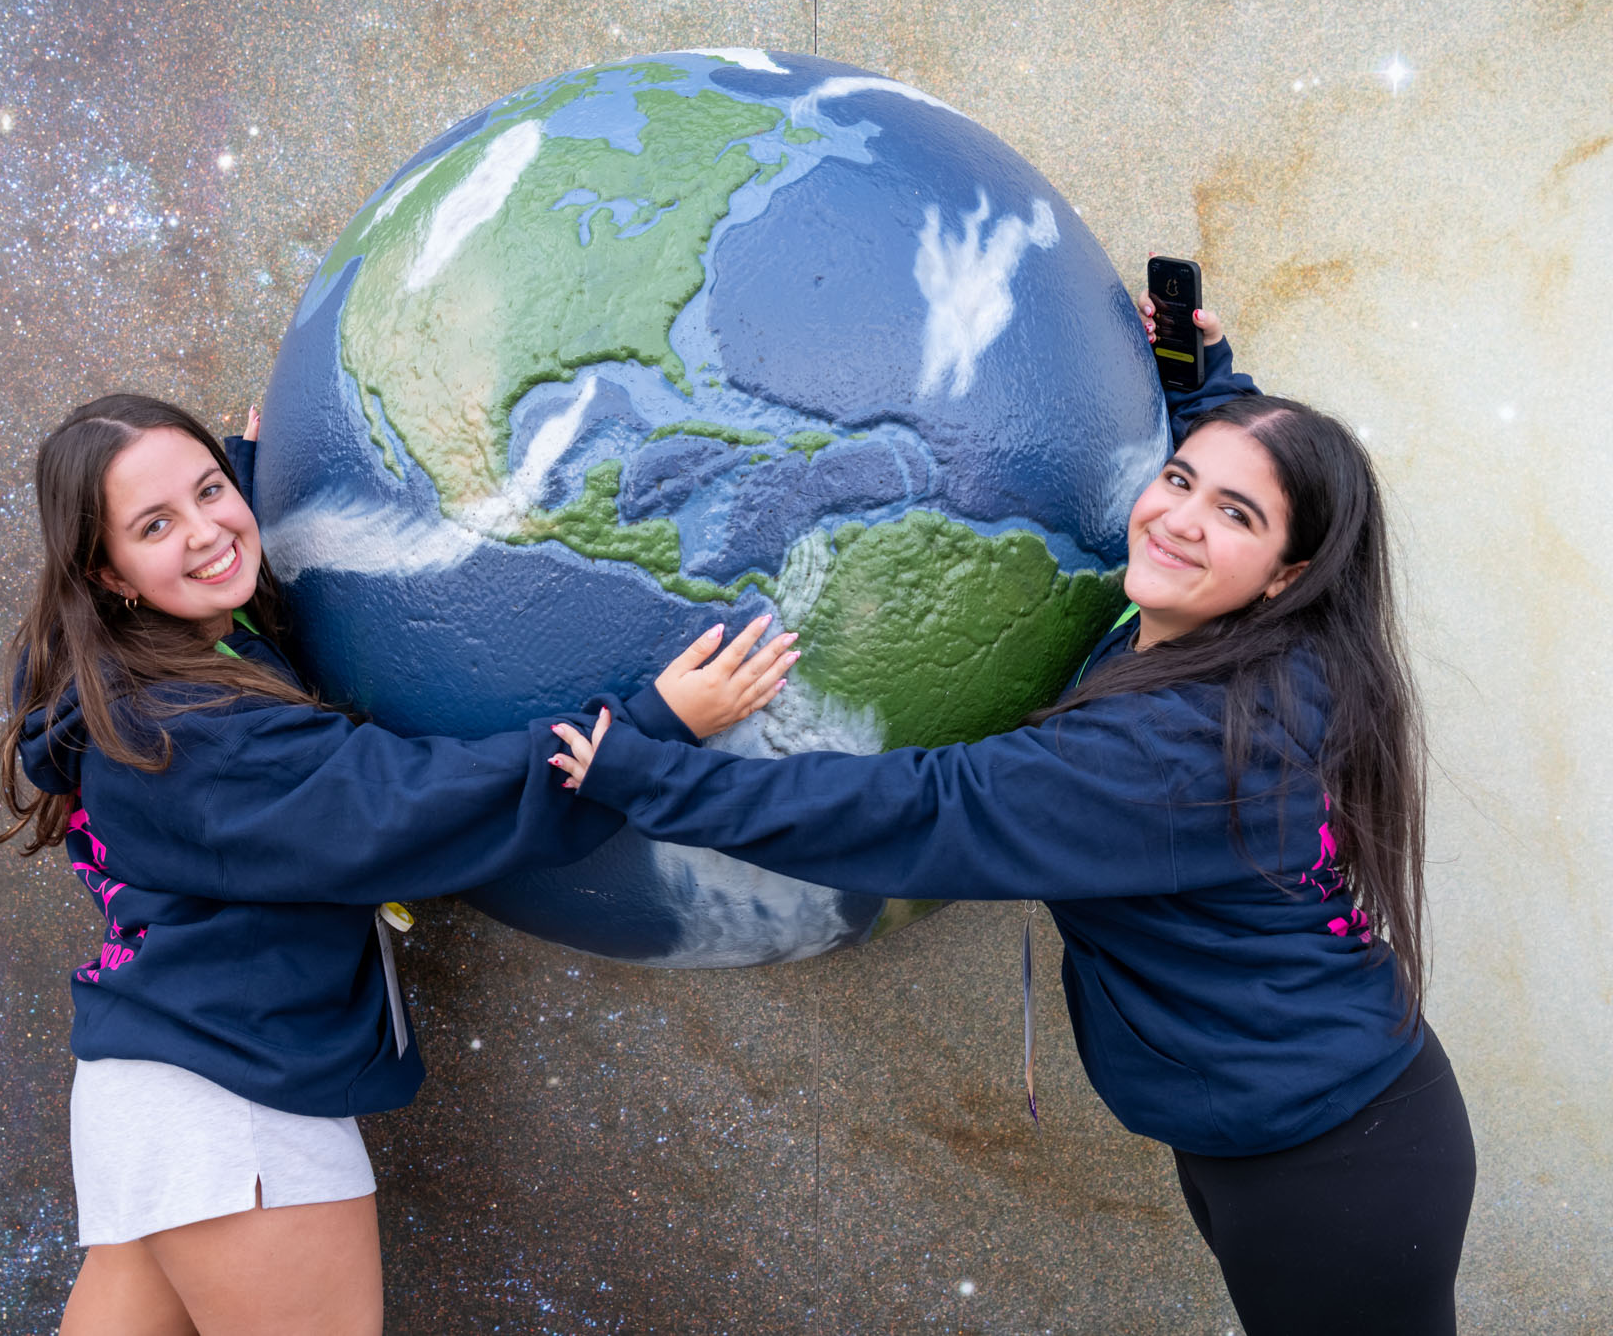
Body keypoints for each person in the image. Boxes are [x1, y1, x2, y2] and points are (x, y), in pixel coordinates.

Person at [548, 299, 1477, 1335]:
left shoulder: (1178, 749)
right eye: (1177, 479)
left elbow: (919, 814)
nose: (1175, 516)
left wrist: (654, 774)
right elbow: (1246, 492)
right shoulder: (1276, 652)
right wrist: (1200, 377)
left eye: (1234, 516)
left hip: (1333, 1163)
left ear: (1285, 578)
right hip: (1303, 1124)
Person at [0, 394, 796, 1336]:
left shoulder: (120, 676)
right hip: (235, 1108)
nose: (208, 530)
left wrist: (262, 472)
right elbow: (407, 801)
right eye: (155, 524)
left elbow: (227, 589)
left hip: (153, 1091)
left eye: (210, 490)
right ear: (107, 569)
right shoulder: (187, 734)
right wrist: (647, 732)